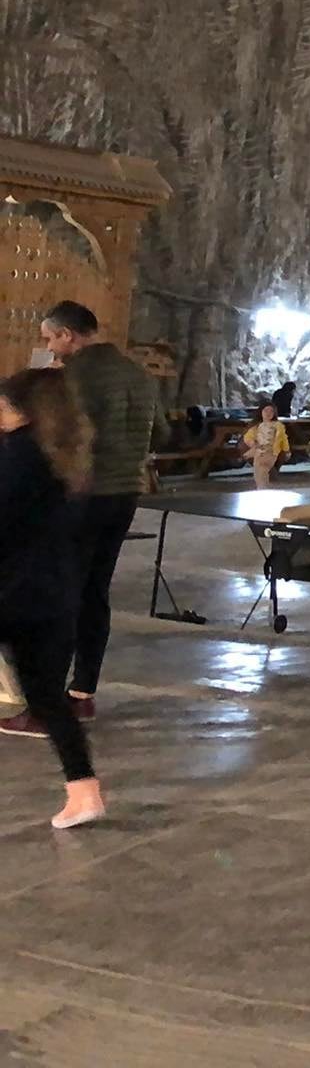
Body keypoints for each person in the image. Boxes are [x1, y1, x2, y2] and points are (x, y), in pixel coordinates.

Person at [34, 302, 155, 725]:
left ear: (67, 335)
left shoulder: (75, 376)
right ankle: (83, 691)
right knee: (95, 591)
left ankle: (46, 700)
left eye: (50, 338)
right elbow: (153, 433)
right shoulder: (138, 374)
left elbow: (63, 439)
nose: (49, 347)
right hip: (125, 493)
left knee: (62, 591)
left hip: (83, 495)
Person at [0, 369, 107, 827]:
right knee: (46, 696)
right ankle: (84, 790)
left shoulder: (18, 455)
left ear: (23, 410)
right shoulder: (62, 457)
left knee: (43, 694)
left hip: (11, 592)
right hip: (51, 593)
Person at [243, 400, 287, 487]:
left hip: (270, 452)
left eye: (271, 411)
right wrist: (253, 443)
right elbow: (248, 437)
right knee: (258, 473)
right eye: (266, 410)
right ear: (261, 412)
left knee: (263, 469)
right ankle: (263, 488)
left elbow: (283, 439)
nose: (268, 413)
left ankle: (263, 488)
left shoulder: (278, 426)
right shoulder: (257, 426)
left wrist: (286, 450)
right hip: (259, 452)